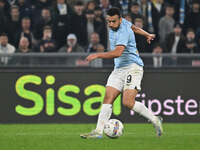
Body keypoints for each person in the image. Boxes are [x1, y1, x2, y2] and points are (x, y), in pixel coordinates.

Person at [80, 7, 163, 139]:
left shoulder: (123, 30)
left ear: (119, 19)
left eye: (113, 21)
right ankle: (98, 131)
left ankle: (155, 119)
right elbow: (134, 27)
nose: (110, 25)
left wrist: (97, 55)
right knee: (108, 98)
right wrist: (146, 34)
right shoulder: (124, 22)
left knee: (128, 103)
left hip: (133, 67)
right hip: (119, 69)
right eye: (108, 21)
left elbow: (118, 52)